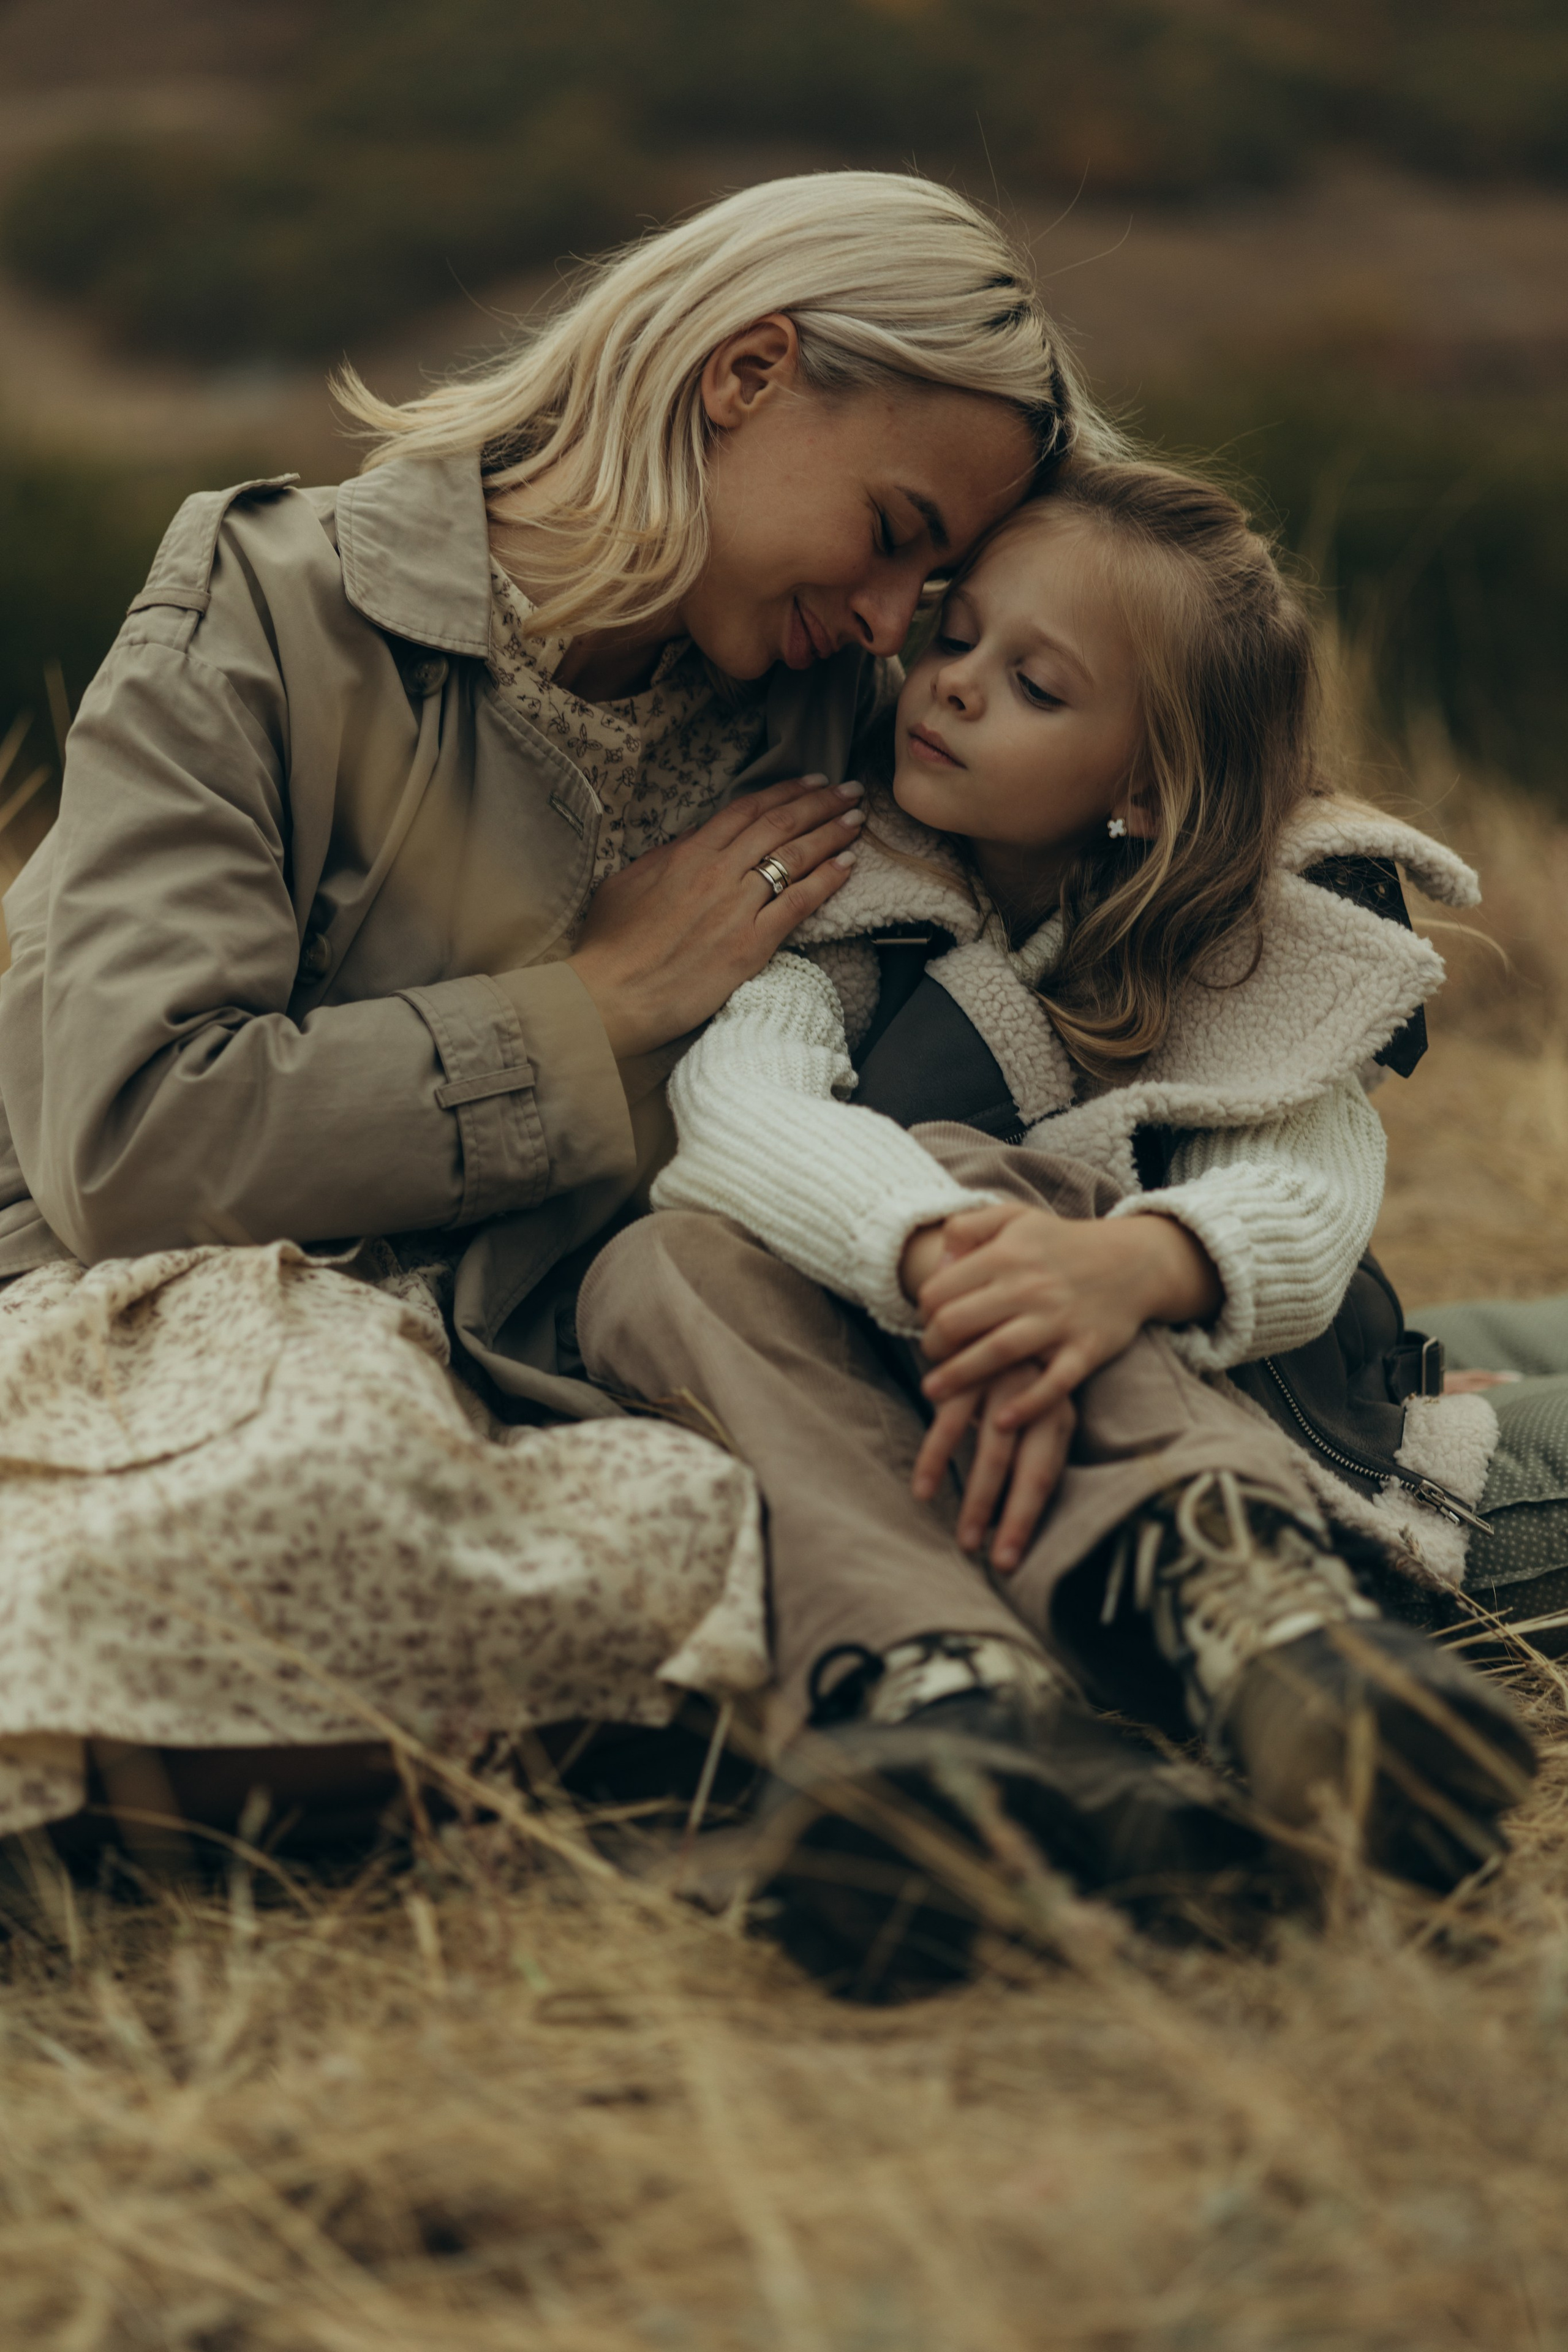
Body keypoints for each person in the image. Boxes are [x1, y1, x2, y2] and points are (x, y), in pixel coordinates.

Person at [0, 172, 1099, 1850]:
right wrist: (591, 1009)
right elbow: (140, 1139)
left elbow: (1165, 662)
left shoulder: (842, 708)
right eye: (891, 538)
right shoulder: (274, 607)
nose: (895, 624)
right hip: (167, 1323)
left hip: (551, 1366)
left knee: (786, 1510)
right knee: (304, 1496)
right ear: (744, 375)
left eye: (934, 590)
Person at [577, 458, 1536, 1992]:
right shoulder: (844, 898)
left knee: (1507, 1383)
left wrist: (1131, 1264)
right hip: (1004, 1458)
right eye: (952, 641)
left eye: (1030, 683)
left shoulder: (1244, 942)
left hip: (1319, 1446)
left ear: (1141, 786)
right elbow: (739, 1113)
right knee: (652, 1259)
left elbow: (1308, 1178)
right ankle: (948, 1689)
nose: (946, 690)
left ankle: (1252, 1598)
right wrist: (940, 1249)